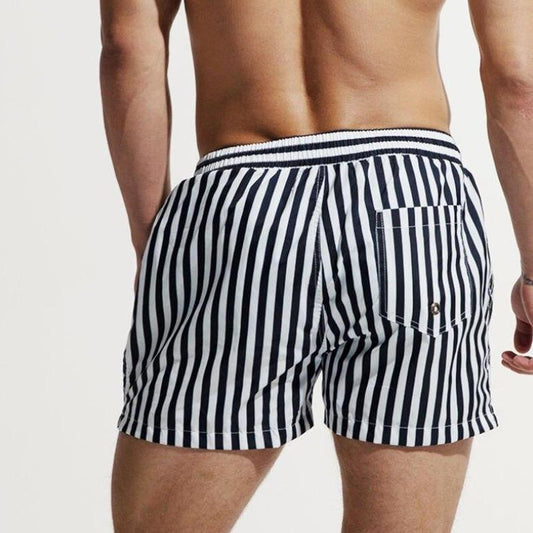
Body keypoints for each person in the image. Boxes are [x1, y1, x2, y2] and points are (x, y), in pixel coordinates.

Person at [99, 1, 533, 531]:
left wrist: (156, 244)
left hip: (240, 202)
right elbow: (518, 79)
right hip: (414, 205)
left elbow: (127, 48)